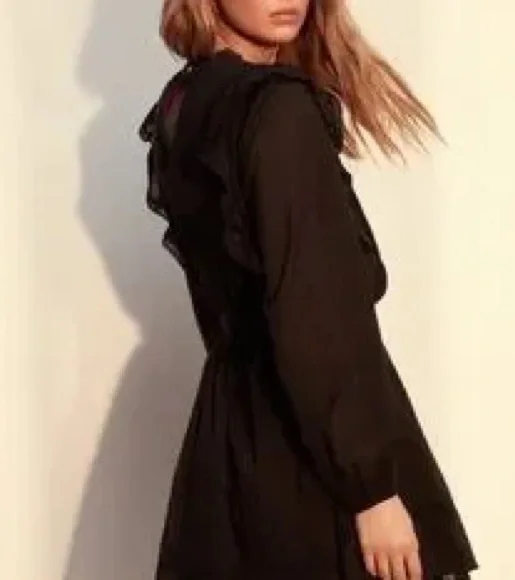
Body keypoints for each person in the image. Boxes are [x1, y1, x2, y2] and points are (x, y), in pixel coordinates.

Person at [138, 1, 478, 579]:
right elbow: (312, 309)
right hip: (313, 461)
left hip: (229, 449)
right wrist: (372, 490)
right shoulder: (278, 109)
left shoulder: (184, 106)